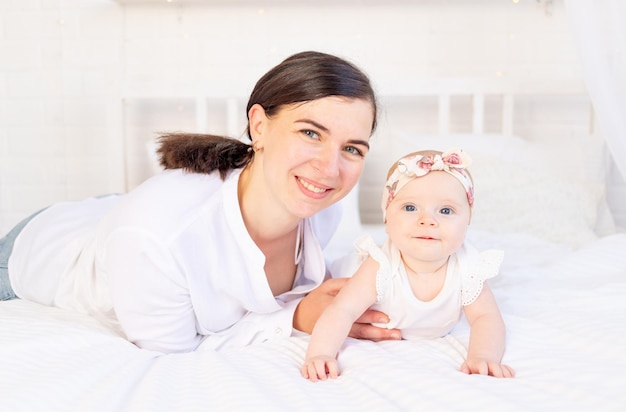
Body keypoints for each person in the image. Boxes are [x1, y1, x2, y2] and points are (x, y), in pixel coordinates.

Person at [0, 51, 402, 353]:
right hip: (37, 247)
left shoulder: (324, 202)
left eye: (352, 148)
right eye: (311, 133)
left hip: (123, 214)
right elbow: (170, 358)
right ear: (259, 126)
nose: (329, 168)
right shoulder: (154, 236)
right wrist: (295, 317)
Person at [301, 149, 515, 381]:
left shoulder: (468, 267)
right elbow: (342, 310)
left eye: (445, 210)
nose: (427, 220)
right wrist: (320, 354)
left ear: (467, 221)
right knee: (322, 281)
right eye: (410, 208)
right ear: (387, 217)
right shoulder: (380, 265)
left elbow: (487, 318)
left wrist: (483, 356)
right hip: (343, 277)